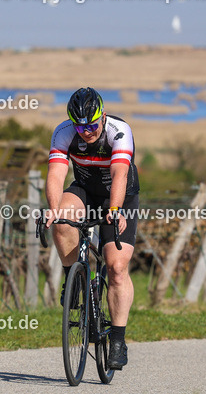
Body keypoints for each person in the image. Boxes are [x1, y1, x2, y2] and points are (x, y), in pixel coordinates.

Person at [44, 87, 139, 370]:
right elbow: (56, 173)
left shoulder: (119, 131)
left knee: (116, 267)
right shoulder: (64, 133)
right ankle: (72, 280)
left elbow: (120, 173)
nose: (86, 131)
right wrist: (52, 207)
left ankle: (119, 340)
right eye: (80, 126)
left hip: (119, 196)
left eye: (92, 125)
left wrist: (115, 209)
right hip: (84, 189)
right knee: (61, 219)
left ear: (103, 116)